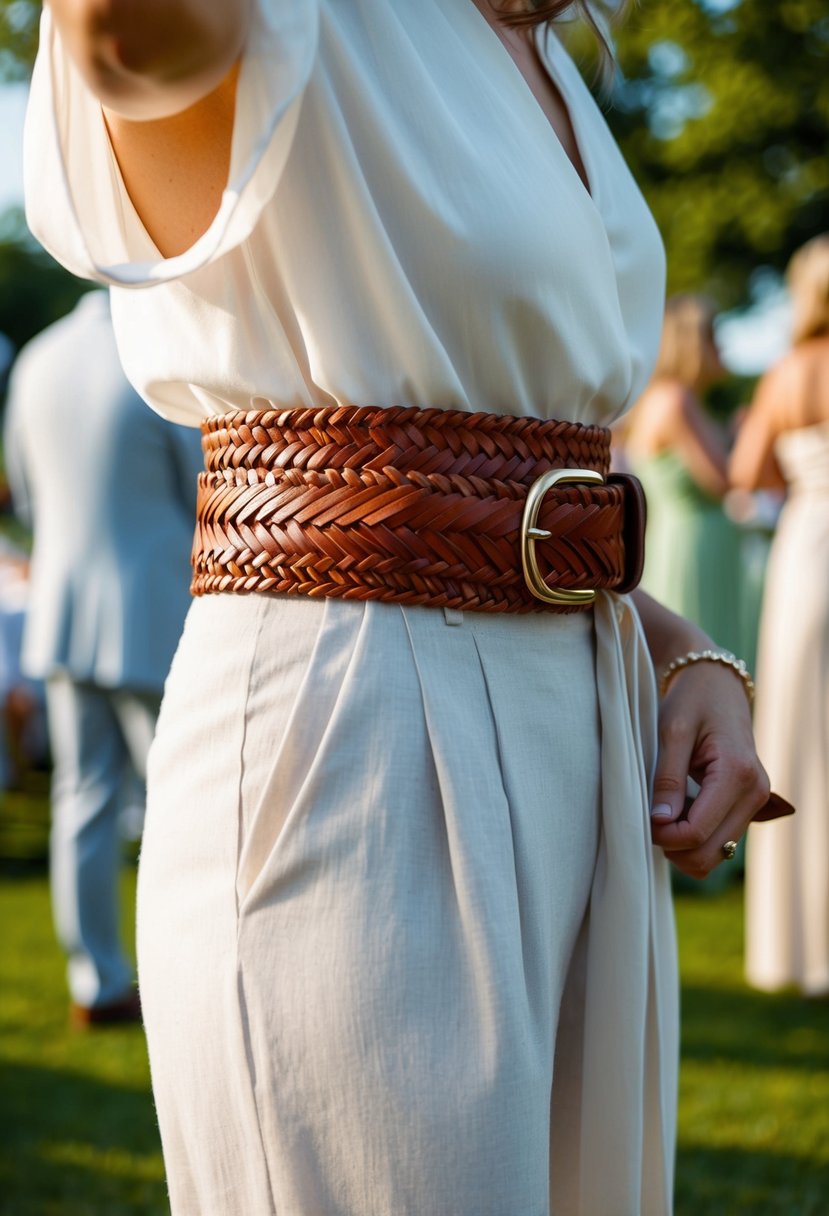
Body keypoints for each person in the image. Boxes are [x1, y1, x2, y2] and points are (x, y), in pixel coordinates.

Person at [24, 1, 770, 1211]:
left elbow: (522, 440)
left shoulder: (542, 55)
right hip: (358, 740)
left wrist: (670, 643)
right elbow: (132, 38)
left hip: (579, 740)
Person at [4, 290, 203, 1025]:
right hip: (154, 612)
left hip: (60, 613)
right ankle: (186, 978)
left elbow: (24, 495)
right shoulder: (160, 350)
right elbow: (204, 491)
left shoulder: (36, 358)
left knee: (80, 802)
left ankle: (97, 983)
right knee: (181, 807)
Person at [731, 233, 829, 997]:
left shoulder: (785, 374)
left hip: (804, 548)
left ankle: (792, 951)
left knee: (797, 733)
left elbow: (745, 471)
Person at [625, 294, 743, 657]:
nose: (720, 347)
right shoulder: (676, 401)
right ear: (692, 342)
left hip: (677, 538)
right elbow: (722, 480)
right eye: (712, 336)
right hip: (696, 547)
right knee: (701, 649)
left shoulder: (656, 400)